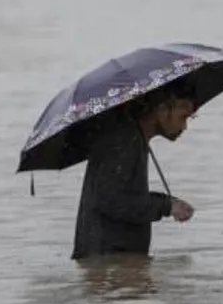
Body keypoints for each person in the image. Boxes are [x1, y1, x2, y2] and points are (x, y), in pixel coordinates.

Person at [71, 88, 196, 261]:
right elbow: (110, 200)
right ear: (161, 110)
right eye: (183, 117)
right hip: (109, 260)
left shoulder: (132, 137)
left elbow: (122, 196)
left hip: (115, 259)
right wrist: (166, 206)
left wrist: (168, 203)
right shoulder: (124, 140)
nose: (184, 126)